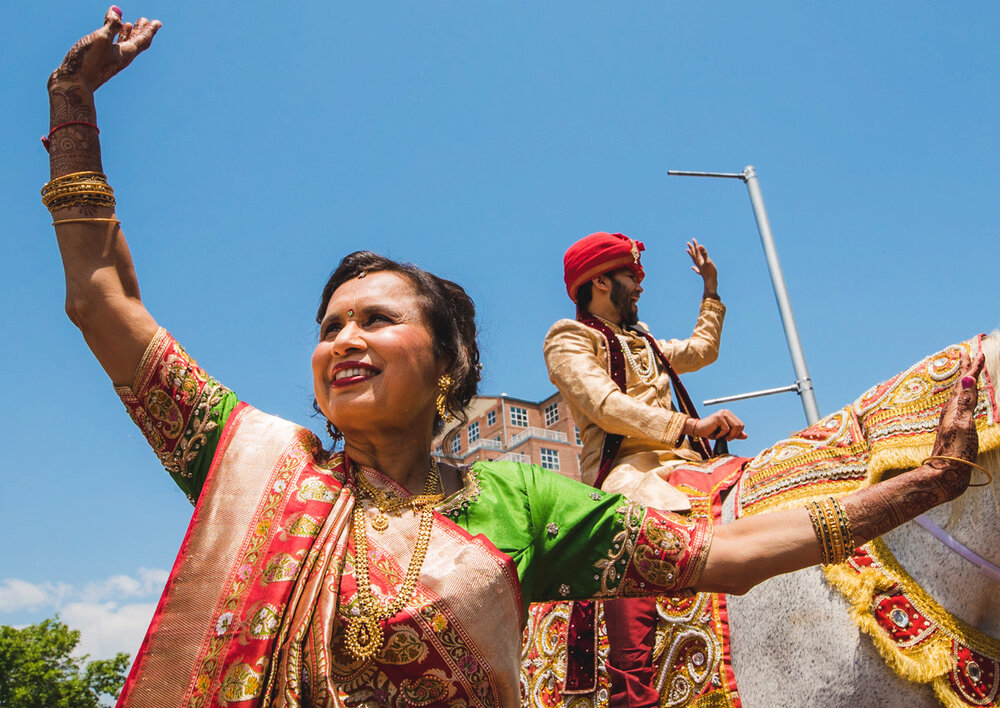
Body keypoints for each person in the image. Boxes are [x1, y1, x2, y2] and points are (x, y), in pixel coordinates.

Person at [44, 9, 986, 707]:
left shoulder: (515, 501)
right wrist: (74, 108)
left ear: (448, 368)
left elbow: (728, 554)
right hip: (628, 468)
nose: (344, 340)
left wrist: (924, 484)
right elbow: (101, 300)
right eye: (331, 326)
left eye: (376, 319)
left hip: (671, 481)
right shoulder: (258, 466)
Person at [541, 231, 748, 705]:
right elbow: (604, 404)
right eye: (630, 276)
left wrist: (711, 292)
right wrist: (692, 426)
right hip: (628, 471)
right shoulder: (570, 338)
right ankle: (631, 690)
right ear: (599, 283)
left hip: (688, 462)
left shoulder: (643, 339)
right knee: (630, 537)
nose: (639, 285)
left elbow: (702, 351)